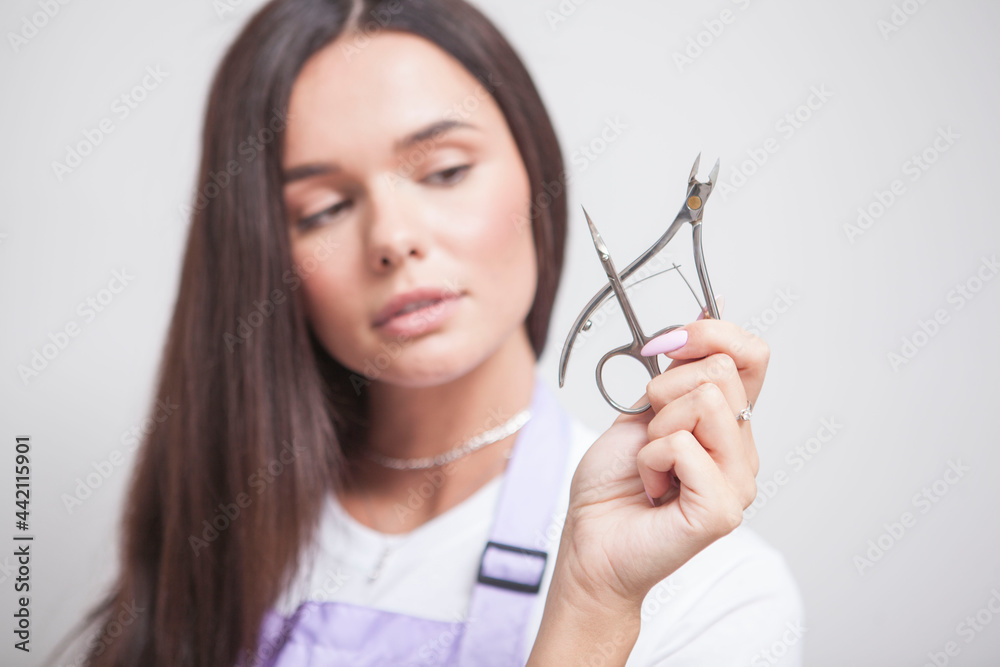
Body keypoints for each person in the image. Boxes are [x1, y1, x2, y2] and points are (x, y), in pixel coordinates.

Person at [62, 0, 804, 665]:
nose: (393, 237)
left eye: (444, 171)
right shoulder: (207, 532)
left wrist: (594, 602)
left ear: (536, 171)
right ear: (263, 257)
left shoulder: (710, 588)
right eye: (323, 209)